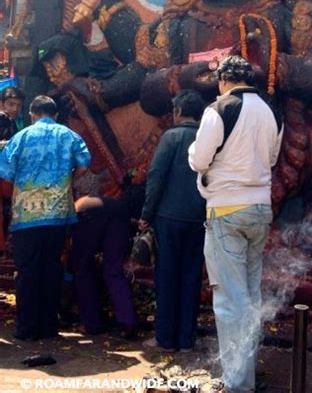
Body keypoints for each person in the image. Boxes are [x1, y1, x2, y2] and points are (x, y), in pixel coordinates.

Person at [188, 56, 283, 393]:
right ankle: (246, 375)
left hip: (226, 210)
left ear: (222, 80)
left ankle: (238, 383)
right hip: (260, 209)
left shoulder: (220, 109)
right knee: (250, 296)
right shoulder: (273, 111)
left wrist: (193, 153)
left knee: (230, 300)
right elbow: (271, 159)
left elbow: (200, 160)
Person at [0, 95, 91, 340]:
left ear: (32, 114)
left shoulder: (21, 138)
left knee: (27, 271)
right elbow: (84, 162)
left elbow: (5, 173)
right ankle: (49, 327)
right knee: (52, 268)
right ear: (56, 115)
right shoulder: (69, 135)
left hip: (26, 217)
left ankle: (27, 329)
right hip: (58, 214)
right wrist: (67, 180)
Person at [139, 90, 206, 352]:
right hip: (199, 218)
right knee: (191, 277)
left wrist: (146, 214)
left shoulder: (171, 137)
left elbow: (156, 178)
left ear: (178, 112)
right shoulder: (207, 138)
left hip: (168, 218)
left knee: (166, 277)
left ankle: (165, 338)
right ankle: (186, 339)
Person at [71, 194, 138, 337]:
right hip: (120, 215)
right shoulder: (87, 203)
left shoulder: (74, 215)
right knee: (114, 271)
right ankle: (128, 323)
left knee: (83, 270)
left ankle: (92, 324)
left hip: (90, 216)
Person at [0, 86, 25, 253]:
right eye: (11, 104)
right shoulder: (2, 119)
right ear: (1, 104)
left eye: (18, 105)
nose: (14, 108)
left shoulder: (12, 122)